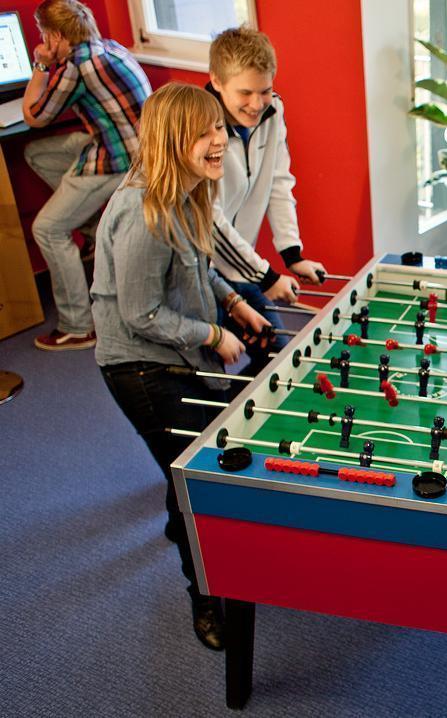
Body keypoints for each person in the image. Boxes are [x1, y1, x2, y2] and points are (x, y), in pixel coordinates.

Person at [91, 83, 270, 651]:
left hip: (173, 351)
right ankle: (205, 599)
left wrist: (235, 303)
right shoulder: (144, 214)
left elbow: (195, 266)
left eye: (218, 128)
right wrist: (213, 333)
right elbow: (141, 313)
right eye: (204, 133)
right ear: (173, 142)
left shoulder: (189, 192)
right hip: (139, 368)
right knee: (198, 479)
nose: (220, 140)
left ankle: (181, 520)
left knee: (194, 465)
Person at [22, 0, 151, 351]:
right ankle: (94, 229)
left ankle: (77, 326)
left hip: (123, 158)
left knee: (47, 229)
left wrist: (40, 65)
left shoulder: (76, 66)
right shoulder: (108, 47)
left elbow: (34, 115)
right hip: (134, 144)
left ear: (55, 36)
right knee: (36, 152)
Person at [205, 26, 327, 374]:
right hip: (202, 272)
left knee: (276, 358)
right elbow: (210, 222)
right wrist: (266, 277)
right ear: (216, 80)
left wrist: (292, 253)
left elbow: (278, 181)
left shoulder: (273, 113)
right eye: (245, 92)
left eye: (265, 91)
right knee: (211, 376)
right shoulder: (200, 129)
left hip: (244, 265)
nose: (257, 104)